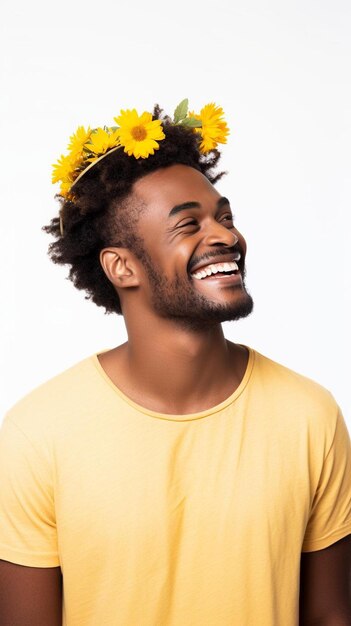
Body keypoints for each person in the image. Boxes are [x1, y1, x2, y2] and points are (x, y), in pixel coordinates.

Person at [0, 100, 350, 626]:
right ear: (122, 266)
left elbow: (330, 615)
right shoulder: (38, 433)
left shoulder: (309, 415)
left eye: (224, 217)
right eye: (188, 225)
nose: (227, 237)